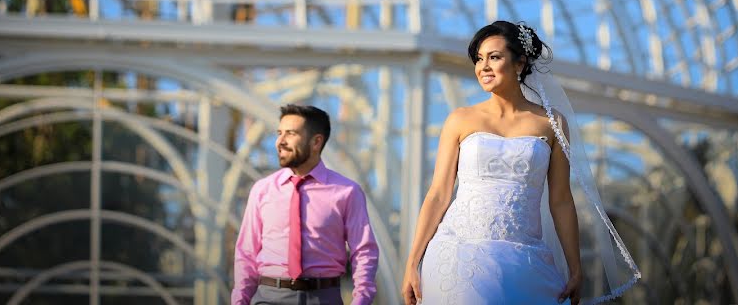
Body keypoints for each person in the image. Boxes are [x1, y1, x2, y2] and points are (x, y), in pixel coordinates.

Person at [401, 21, 640, 305]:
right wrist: (412, 263)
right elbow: (438, 194)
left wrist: (575, 267)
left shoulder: (552, 123)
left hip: (525, 260)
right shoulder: (460, 119)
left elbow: (561, 200)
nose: (483, 67)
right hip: (457, 254)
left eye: (494, 57)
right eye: (479, 59)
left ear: (519, 64)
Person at [232, 104, 379, 305]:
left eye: (290, 134)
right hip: (268, 297)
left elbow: (364, 252)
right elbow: (246, 253)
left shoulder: (347, 192)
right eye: (279, 133)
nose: (280, 142)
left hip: (323, 298)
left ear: (316, 142)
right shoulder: (262, 190)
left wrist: (361, 301)